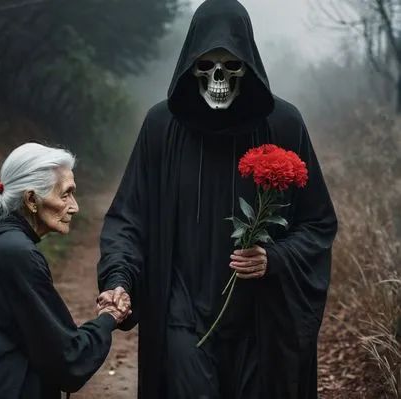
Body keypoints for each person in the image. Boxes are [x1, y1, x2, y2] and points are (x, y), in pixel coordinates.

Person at [96, 0, 338, 398]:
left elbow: (318, 223)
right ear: (191, 67)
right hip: (183, 320)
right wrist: (118, 278)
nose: (218, 77)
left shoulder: (283, 124)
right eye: (206, 65)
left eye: (231, 65)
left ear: (249, 64)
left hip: (260, 326)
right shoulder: (161, 127)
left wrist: (273, 258)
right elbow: (128, 218)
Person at [0, 142, 128, 399]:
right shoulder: (15, 252)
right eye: (65, 194)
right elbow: (67, 358)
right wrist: (109, 317)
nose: (74, 207)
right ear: (31, 200)